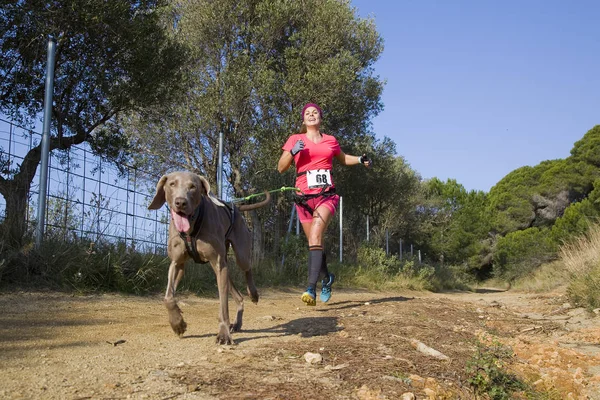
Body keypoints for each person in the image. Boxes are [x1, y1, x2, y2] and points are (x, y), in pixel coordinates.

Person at [277, 103, 371, 306]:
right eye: (307, 113)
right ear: (304, 120)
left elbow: (343, 158)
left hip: (326, 194)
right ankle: (327, 278)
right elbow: (281, 168)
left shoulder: (330, 140)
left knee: (317, 234)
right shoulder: (296, 139)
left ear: (320, 118)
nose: (311, 115)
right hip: (303, 197)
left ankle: (310, 289)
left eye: (315, 113)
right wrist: (293, 151)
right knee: (314, 241)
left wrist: (360, 159)